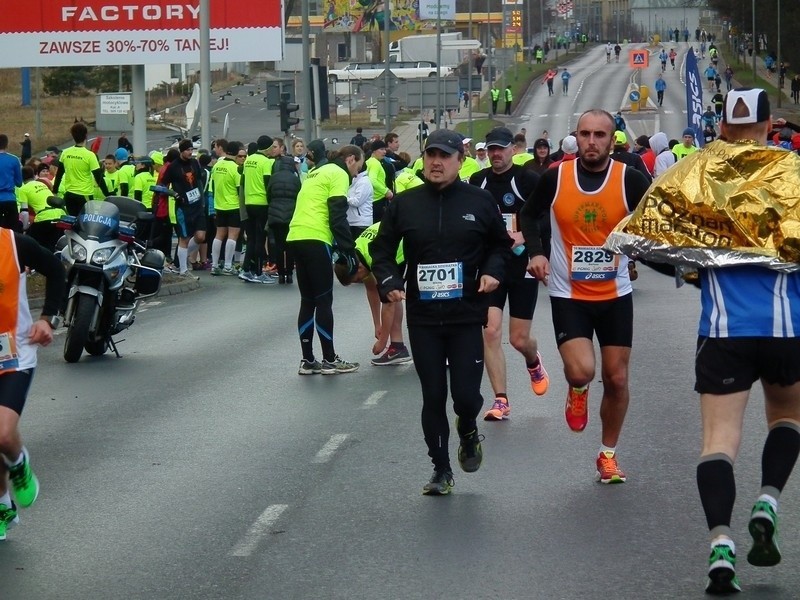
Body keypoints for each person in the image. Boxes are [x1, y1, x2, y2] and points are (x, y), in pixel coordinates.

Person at [620, 87, 800, 596]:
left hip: (724, 331)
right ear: (771, 126)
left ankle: (721, 545)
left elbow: (645, 241)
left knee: (718, 441)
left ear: (722, 126)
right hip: (789, 328)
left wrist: (695, 268)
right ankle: (767, 500)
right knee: (787, 418)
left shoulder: (695, 172)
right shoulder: (794, 172)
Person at [371, 129, 512, 495]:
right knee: (433, 394)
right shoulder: (405, 203)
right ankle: (441, 468)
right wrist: (388, 280)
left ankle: (467, 428)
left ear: (460, 160)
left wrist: (494, 272)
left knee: (465, 396)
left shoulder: (479, 201)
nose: (436, 161)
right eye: (430, 154)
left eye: (444, 155)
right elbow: (382, 249)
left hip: (466, 314)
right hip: (424, 317)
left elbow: (500, 245)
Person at [519, 109, 651, 484]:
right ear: (575, 138)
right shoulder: (556, 176)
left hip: (614, 294)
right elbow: (528, 216)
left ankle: (607, 455)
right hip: (568, 292)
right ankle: (577, 388)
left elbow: (655, 220)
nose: (591, 142)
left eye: (599, 135)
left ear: (613, 140)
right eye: (584, 134)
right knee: (583, 370)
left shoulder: (629, 178)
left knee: (617, 379)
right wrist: (537, 252)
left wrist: (638, 250)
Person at [468, 127, 549, 421]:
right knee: (489, 331)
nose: (496, 155)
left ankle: (533, 359)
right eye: (491, 150)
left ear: (513, 150)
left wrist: (522, 237)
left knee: (518, 339)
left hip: (522, 264)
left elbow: (544, 221)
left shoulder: (528, 180)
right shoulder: (479, 181)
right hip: (492, 265)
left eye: (501, 149)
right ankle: (500, 399)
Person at [0, 228, 66, 541]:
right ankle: (3, 507)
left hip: (14, 356)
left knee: (1, 433)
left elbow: (56, 269)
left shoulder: (13, 244)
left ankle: (19, 462)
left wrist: (47, 318)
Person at [286, 145, 364, 375]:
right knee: (323, 300)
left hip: (295, 236)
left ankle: (308, 360)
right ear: (350, 159)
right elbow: (337, 214)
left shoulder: (316, 172)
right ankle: (330, 359)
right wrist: (349, 250)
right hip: (316, 237)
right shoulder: (338, 173)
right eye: (358, 167)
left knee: (307, 300)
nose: (356, 173)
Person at [334, 223, 411, 366]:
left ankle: (399, 346)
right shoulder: (355, 253)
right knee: (393, 296)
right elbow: (371, 289)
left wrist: (382, 342)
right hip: (393, 240)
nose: (360, 281)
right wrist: (377, 324)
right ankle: (398, 347)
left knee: (394, 296)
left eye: (357, 279)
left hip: (407, 247)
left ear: (359, 269)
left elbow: (387, 304)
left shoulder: (372, 260)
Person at [161, 138, 207, 280]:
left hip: (197, 205)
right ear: (181, 151)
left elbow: (199, 180)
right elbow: (163, 185)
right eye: (187, 150)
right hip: (183, 208)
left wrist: (202, 200)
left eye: (192, 150)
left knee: (200, 237)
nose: (190, 152)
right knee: (184, 238)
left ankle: (181, 259)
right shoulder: (173, 166)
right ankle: (183, 269)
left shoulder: (194, 163)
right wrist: (174, 194)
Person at [52, 123, 110, 216]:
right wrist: (107, 194)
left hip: (69, 195)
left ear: (73, 136)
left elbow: (59, 174)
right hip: (84, 196)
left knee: (71, 222)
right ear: (86, 135)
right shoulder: (90, 155)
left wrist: (54, 191)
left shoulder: (65, 153)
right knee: (85, 224)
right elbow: (99, 177)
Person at [240, 135, 276, 283]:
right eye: (272, 147)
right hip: (262, 203)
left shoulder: (249, 160)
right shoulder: (266, 162)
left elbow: (243, 180)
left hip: (249, 202)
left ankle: (247, 269)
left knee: (252, 239)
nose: (273, 149)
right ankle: (259, 273)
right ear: (267, 148)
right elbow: (268, 184)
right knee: (260, 239)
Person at [267, 155, 301, 285]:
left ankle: (281, 274)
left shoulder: (274, 177)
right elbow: (299, 196)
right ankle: (290, 274)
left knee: (279, 246)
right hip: (291, 215)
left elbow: (268, 194)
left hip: (275, 215)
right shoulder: (295, 179)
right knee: (290, 246)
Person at [0, 134, 22, 231]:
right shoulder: (14, 159)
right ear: (6, 145)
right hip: (10, 199)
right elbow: (19, 183)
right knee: (13, 231)